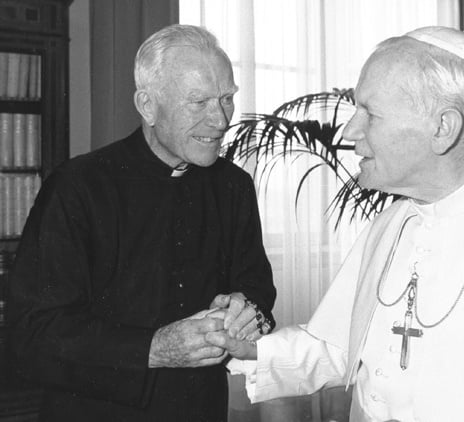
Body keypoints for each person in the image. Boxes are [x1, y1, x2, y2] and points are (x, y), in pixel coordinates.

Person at [207, 26, 464, 421]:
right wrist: (254, 350)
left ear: (443, 128)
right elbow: (347, 344)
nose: (349, 132)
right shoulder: (391, 224)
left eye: (370, 114)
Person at [8, 24, 276, 422]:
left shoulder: (234, 185)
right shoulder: (77, 187)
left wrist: (246, 311)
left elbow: (257, 286)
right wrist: (154, 348)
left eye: (226, 99)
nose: (220, 120)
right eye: (198, 101)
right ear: (147, 105)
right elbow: (32, 334)